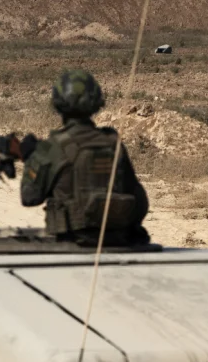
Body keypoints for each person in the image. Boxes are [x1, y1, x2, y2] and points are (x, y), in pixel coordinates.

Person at [19, 70, 150, 246]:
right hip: (116, 241)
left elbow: (29, 197)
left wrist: (31, 158)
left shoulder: (52, 147)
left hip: (71, 242)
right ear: (96, 103)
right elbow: (139, 199)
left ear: (58, 104)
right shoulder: (112, 143)